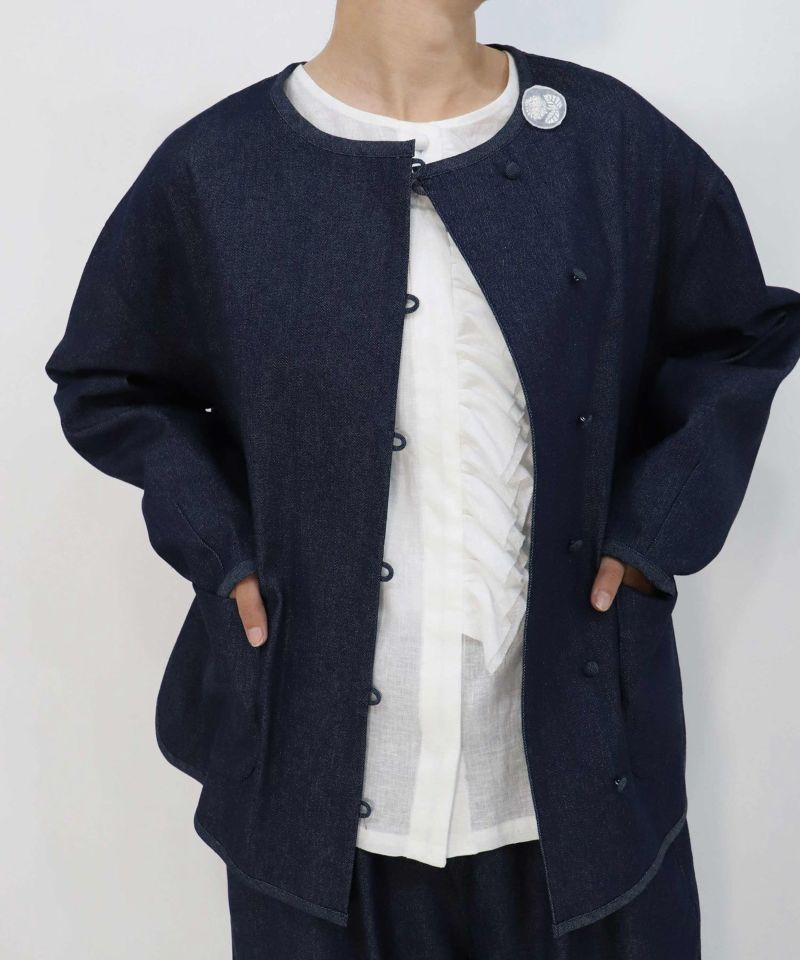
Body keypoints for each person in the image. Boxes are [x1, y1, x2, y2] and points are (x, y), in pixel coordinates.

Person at [45, 1, 800, 957]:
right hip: (316, 807)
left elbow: (740, 339)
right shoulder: (220, 169)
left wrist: (653, 537)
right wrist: (221, 548)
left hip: (583, 790)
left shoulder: (607, 144)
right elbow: (109, 378)